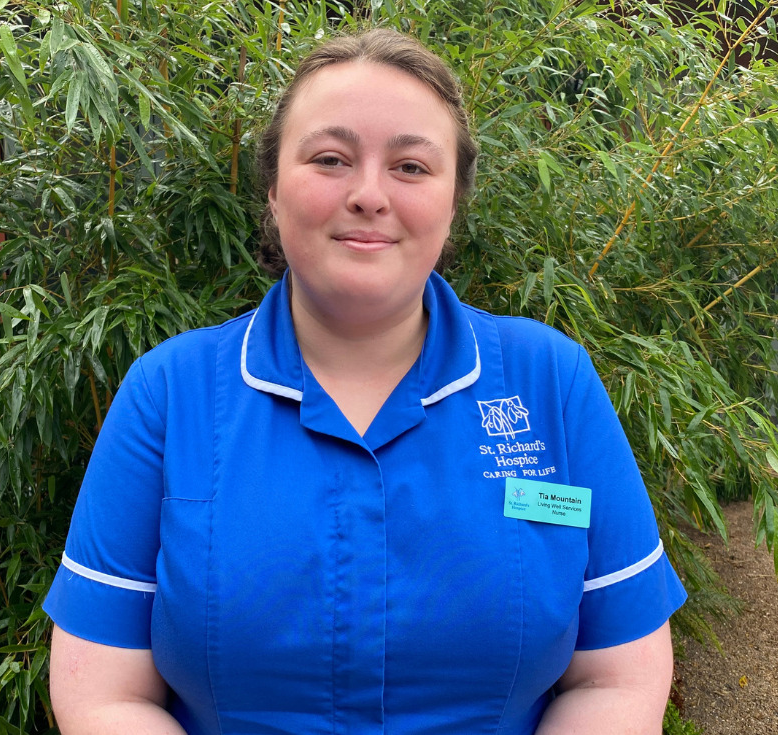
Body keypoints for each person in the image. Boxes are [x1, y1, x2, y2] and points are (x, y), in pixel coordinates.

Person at [43, 28, 687, 734]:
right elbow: (104, 693)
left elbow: (617, 676)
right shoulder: (169, 393)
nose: (369, 194)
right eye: (329, 158)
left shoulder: (551, 383)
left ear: (452, 200)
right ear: (273, 190)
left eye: (410, 166)